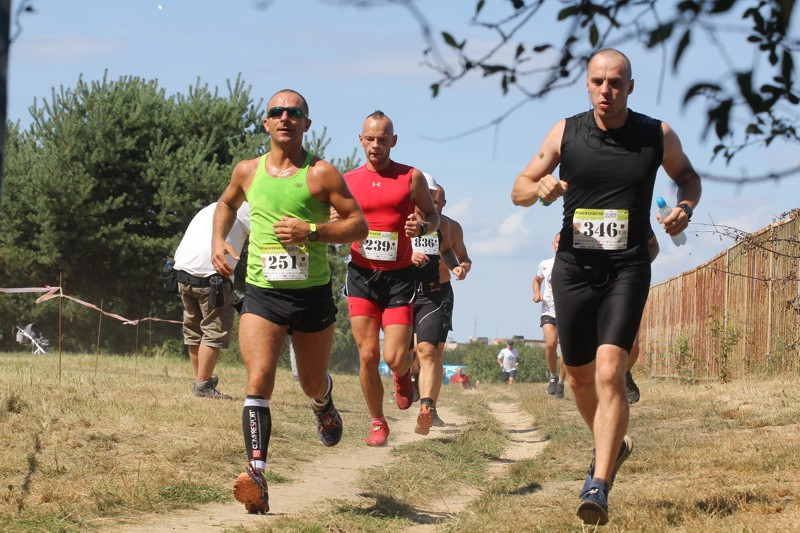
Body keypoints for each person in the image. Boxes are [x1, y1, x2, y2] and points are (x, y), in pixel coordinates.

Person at [511, 49, 701, 525]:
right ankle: (611, 446)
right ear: (587, 86)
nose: (606, 91)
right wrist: (539, 189)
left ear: (630, 87)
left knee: (610, 371)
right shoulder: (566, 132)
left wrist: (686, 206)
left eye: (615, 83)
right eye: (597, 82)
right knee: (578, 378)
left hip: (628, 267)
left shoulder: (656, 135)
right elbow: (518, 186)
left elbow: (688, 176)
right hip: (572, 268)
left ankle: (598, 483)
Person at [211, 89, 368, 514]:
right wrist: (217, 242)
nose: (285, 118)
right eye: (277, 112)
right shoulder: (247, 171)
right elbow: (226, 204)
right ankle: (256, 475)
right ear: (266, 123)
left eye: (294, 112)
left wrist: (311, 232)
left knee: (310, 382)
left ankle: (323, 403)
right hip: (263, 294)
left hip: (312, 294)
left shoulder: (321, 174)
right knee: (259, 379)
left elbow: (358, 226)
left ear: (306, 124)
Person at [341, 110, 439, 447]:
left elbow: (433, 216)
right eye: (370, 139)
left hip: (398, 278)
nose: (376, 145)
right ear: (360, 140)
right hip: (361, 275)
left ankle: (401, 375)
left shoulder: (411, 177)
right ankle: (378, 423)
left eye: (383, 139)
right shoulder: (347, 180)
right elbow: (334, 217)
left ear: (393, 141)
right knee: (367, 355)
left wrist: (422, 227)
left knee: (395, 356)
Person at [173, 201, 250, 399]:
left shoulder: (212, 207)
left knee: (194, 330)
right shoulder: (248, 209)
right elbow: (267, 237)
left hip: (182, 273)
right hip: (212, 276)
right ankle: (203, 386)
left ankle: (202, 380)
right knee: (214, 331)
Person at [409, 173, 465, 435]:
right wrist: (408, 256)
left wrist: (457, 267)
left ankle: (427, 408)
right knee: (404, 355)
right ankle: (408, 379)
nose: (432, 200)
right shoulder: (403, 218)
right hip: (403, 291)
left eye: (436, 197)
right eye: (427, 194)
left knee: (430, 351)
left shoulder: (445, 225)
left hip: (436, 292)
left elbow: (451, 253)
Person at [431, 183, 473, 426]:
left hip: (441, 291)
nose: (431, 206)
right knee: (411, 352)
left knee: (436, 352)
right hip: (409, 289)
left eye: (435, 202)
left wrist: (462, 269)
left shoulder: (452, 227)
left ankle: (431, 407)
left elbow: (465, 258)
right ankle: (412, 376)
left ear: (443, 204)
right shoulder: (409, 222)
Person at [625, 229, 660, 403]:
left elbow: (653, 246)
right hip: (593, 283)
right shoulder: (583, 210)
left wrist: (639, 268)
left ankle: (624, 373)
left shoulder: (633, 211)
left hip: (627, 283)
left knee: (631, 343)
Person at [533, 232, 567, 399]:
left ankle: (561, 383)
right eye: (557, 241)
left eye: (563, 242)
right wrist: (537, 294)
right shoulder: (545, 264)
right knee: (551, 344)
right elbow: (536, 280)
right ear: (553, 244)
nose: (560, 244)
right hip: (549, 309)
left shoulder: (574, 264)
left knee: (566, 349)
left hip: (568, 310)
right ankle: (553, 377)